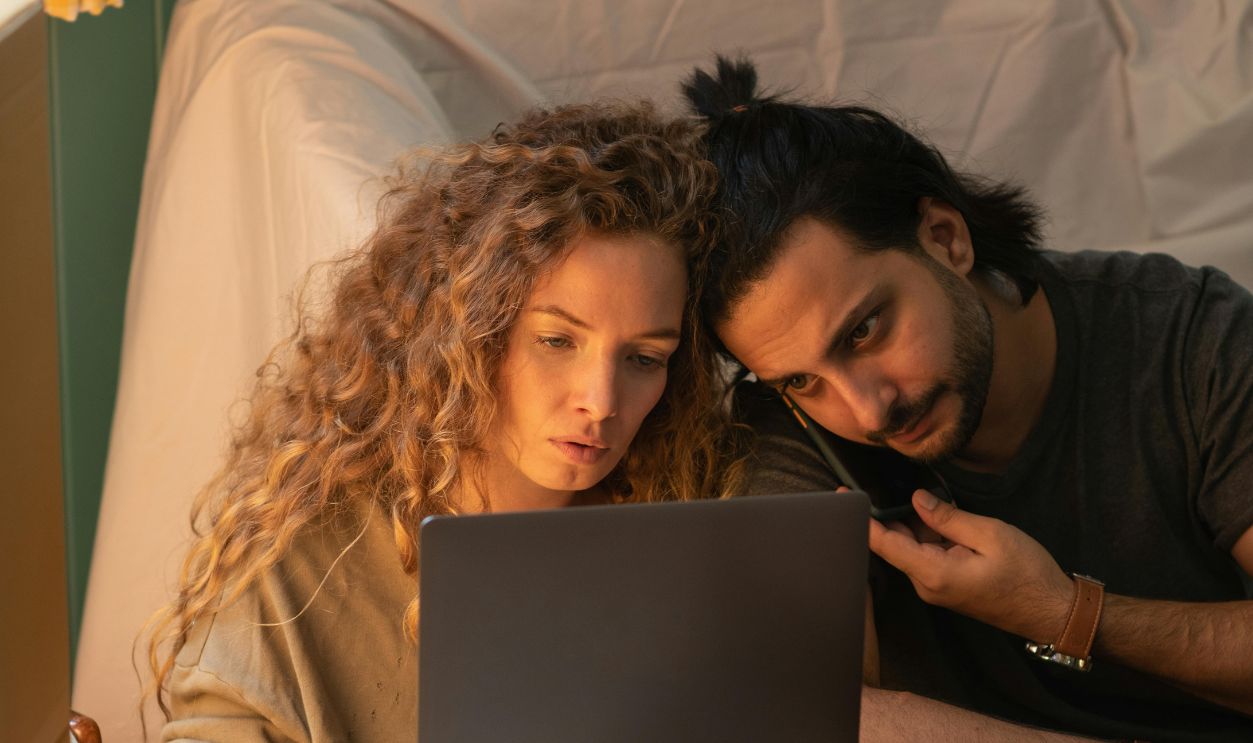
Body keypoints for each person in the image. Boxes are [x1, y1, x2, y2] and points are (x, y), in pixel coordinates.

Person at [682, 56, 1253, 742]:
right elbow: (811, 709)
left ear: (944, 238)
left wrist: (1062, 611)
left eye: (864, 331)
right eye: (801, 379)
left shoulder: (1194, 336)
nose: (867, 411)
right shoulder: (789, 421)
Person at [142, 101, 748, 742]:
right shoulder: (295, 584)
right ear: (471, 334)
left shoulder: (697, 526)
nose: (601, 401)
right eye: (556, 341)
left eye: (645, 357)